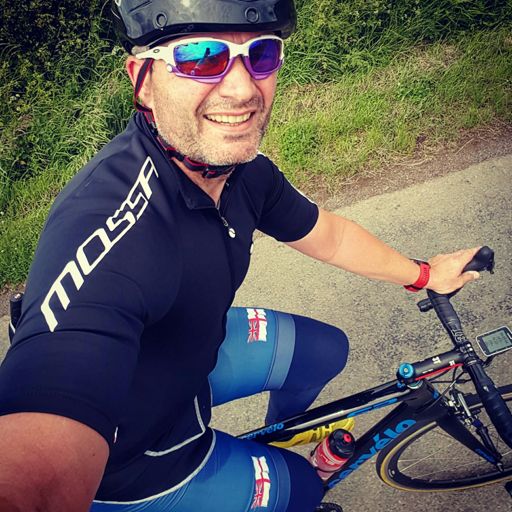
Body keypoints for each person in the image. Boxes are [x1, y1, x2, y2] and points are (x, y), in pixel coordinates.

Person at [0, 1, 480, 511]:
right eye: (201, 57)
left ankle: (278, 436)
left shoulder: (242, 171)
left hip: (189, 352)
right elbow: (41, 440)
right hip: (145, 457)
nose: (242, 89)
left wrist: (424, 274)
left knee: (325, 351)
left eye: (261, 54)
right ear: (142, 81)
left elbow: (330, 236)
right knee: (304, 488)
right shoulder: (110, 225)